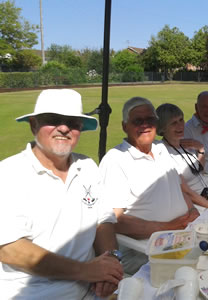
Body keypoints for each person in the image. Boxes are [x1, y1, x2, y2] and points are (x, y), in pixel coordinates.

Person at [0, 89, 123, 299]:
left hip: (91, 291)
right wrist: (87, 271)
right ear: (33, 125)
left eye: (73, 122)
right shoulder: (9, 173)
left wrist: (110, 262)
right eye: (53, 119)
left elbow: (104, 220)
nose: (64, 128)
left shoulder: (87, 166)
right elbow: (10, 248)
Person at [99, 97, 199, 275]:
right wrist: (168, 228)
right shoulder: (115, 160)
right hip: (149, 249)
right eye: (138, 121)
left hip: (185, 233)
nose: (145, 125)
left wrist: (192, 212)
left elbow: (177, 189)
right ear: (124, 126)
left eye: (150, 120)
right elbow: (115, 220)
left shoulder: (160, 148)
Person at [156, 103, 208, 207]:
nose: (180, 126)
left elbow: (199, 170)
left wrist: (201, 149)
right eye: (174, 123)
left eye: (181, 120)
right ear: (163, 128)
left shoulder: (184, 144)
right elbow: (187, 193)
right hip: (197, 205)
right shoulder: (165, 155)